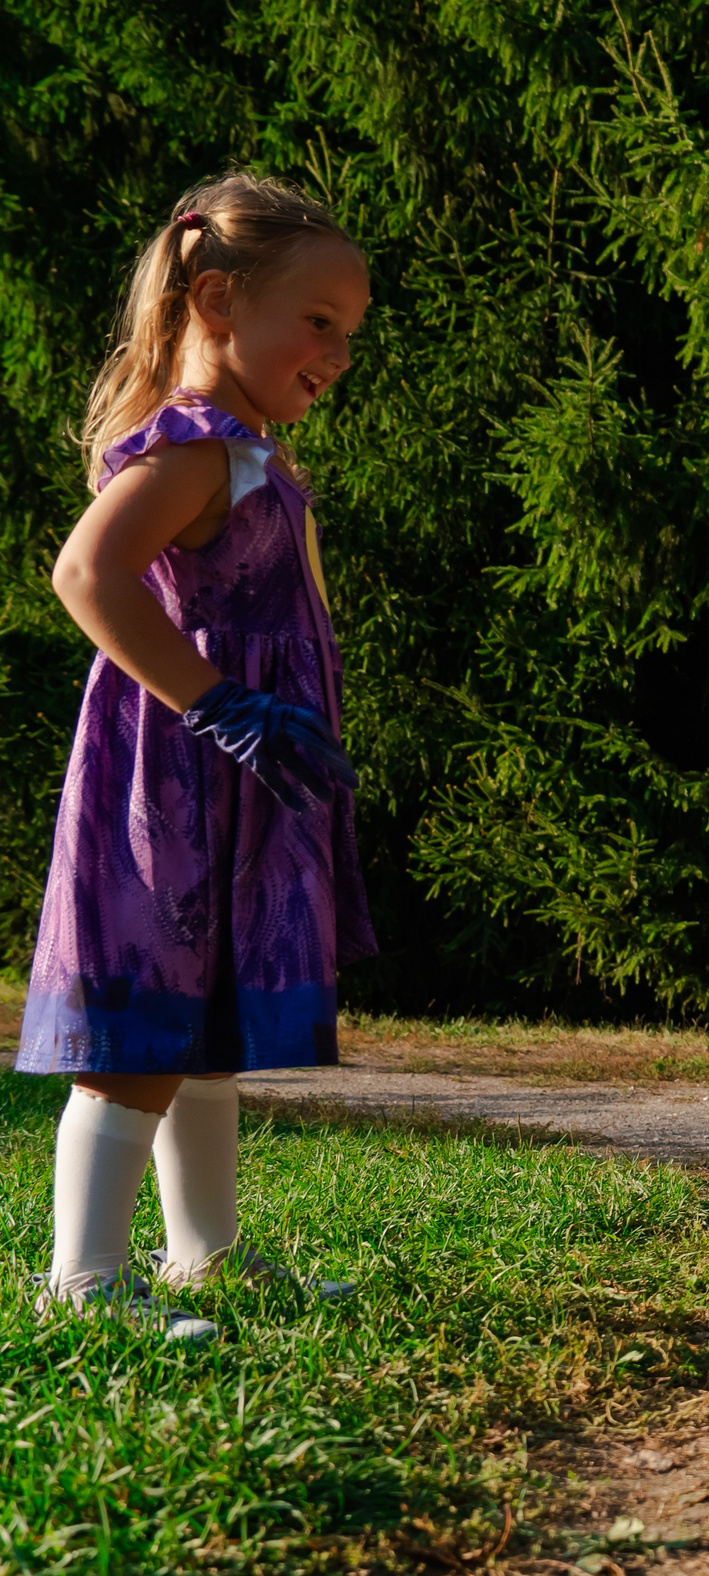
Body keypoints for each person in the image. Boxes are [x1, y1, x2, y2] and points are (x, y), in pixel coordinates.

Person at [16, 175, 374, 1338]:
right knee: (144, 1031)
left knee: (207, 1024)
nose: (338, 352)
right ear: (217, 298)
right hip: (168, 781)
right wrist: (225, 706)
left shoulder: (256, 454)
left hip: (234, 785)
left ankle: (203, 1256)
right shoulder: (196, 449)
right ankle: (81, 1280)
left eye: (350, 333)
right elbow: (87, 575)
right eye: (317, 323)